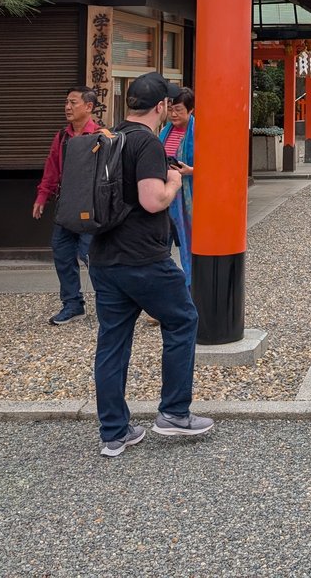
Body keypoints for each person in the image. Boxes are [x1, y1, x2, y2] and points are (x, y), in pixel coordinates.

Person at [88, 71, 213, 457]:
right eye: (167, 103)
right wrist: (173, 181)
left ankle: (114, 432)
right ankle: (174, 413)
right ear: (160, 106)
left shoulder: (109, 138)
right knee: (182, 320)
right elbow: (152, 200)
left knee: (113, 340)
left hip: (104, 256)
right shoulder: (147, 144)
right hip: (142, 257)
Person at [32, 85, 101, 325]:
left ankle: (109, 304)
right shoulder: (61, 137)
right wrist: (42, 197)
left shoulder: (102, 136)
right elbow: (52, 170)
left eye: (73, 103)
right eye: (66, 103)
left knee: (91, 255)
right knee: (62, 253)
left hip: (91, 209)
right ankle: (72, 305)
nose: (68, 107)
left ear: (89, 107)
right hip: (65, 207)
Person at [158, 86, 195, 286]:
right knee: (160, 248)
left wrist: (192, 171)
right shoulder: (165, 131)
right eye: (170, 109)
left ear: (190, 110)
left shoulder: (200, 132)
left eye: (178, 109)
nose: (173, 114)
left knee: (189, 246)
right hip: (165, 196)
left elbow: (216, 164)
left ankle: (191, 291)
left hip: (188, 198)